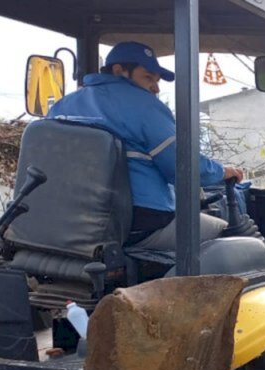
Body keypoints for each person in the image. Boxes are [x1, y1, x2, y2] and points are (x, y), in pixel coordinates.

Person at [48, 41, 243, 251]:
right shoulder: (146, 106)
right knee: (233, 237)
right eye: (148, 77)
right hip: (138, 225)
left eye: (157, 80)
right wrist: (222, 172)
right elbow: (183, 167)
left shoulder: (62, 105)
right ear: (119, 71)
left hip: (69, 224)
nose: (156, 87)